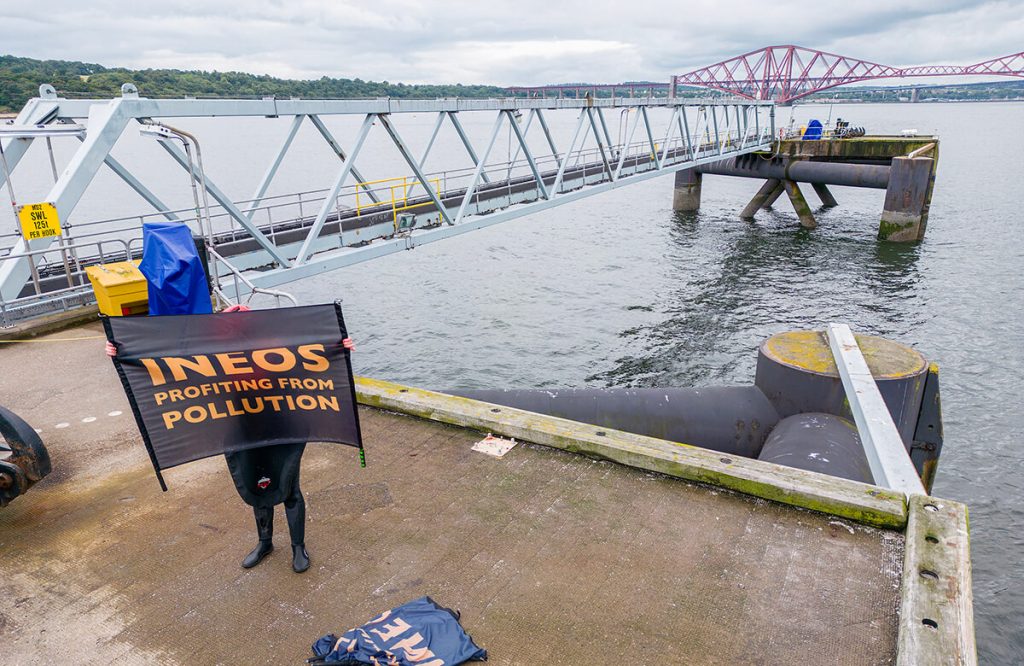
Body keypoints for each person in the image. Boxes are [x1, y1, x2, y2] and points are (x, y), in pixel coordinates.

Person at [105, 303, 355, 574]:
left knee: (289, 484)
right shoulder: (212, 351)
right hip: (240, 426)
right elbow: (165, 361)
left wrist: (340, 347)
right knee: (254, 482)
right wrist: (121, 352)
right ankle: (265, 542)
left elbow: (311, 355)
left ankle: (298, 546)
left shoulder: (274, 343)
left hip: (282, 425)